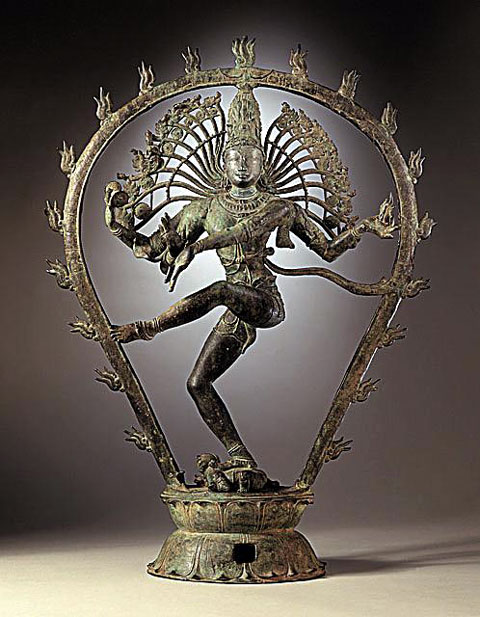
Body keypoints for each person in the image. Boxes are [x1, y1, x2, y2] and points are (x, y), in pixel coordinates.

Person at [104, 84, 395, 467]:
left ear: (263, 163)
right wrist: (119, 226)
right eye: (235, 157)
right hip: (235, 312)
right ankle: (240, 457)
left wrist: (366, 228)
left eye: (250, 157)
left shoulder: (279, 207)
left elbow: (328, 249)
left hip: (264, 301)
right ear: (222, 162)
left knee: (223, 290)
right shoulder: (204, 209)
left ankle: (147, 328)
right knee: (197, 384)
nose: (242, 163)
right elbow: (155, 246)